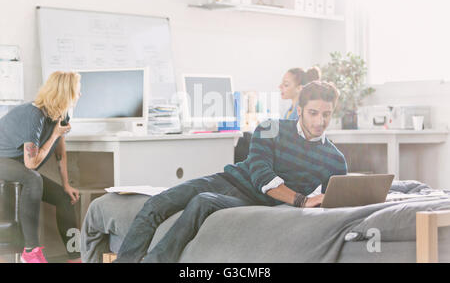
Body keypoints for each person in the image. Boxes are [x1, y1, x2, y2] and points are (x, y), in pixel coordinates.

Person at [114, 81, 348, 263]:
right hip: (229, 180)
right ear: (300, 110)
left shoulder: (334, 159)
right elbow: (261, 175)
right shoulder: (270, 128)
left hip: (256, 202)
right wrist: (301, 200)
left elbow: (336, 202)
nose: (320, 121)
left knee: (202, 201)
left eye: (326, 114)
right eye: (314, 113)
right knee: (155, 204)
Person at [0, 71, 82, 263]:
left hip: (16, 163)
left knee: (64, 198)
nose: (80, 95)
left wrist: (66, 184)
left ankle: (76, 256)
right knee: (33, 178)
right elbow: (32, 163)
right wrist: (54, 134)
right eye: (78, 91)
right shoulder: (34, 114)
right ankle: (31, 250)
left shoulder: (62, 113)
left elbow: (60, 150)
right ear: (66, 91)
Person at [234, 66, 321, 164]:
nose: (280, 87)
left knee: (244, 140)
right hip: (280, 150)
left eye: (286, 85)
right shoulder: (290, 111)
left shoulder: (301, 112)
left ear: (299, 88)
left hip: (286, 155)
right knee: (246, 139)